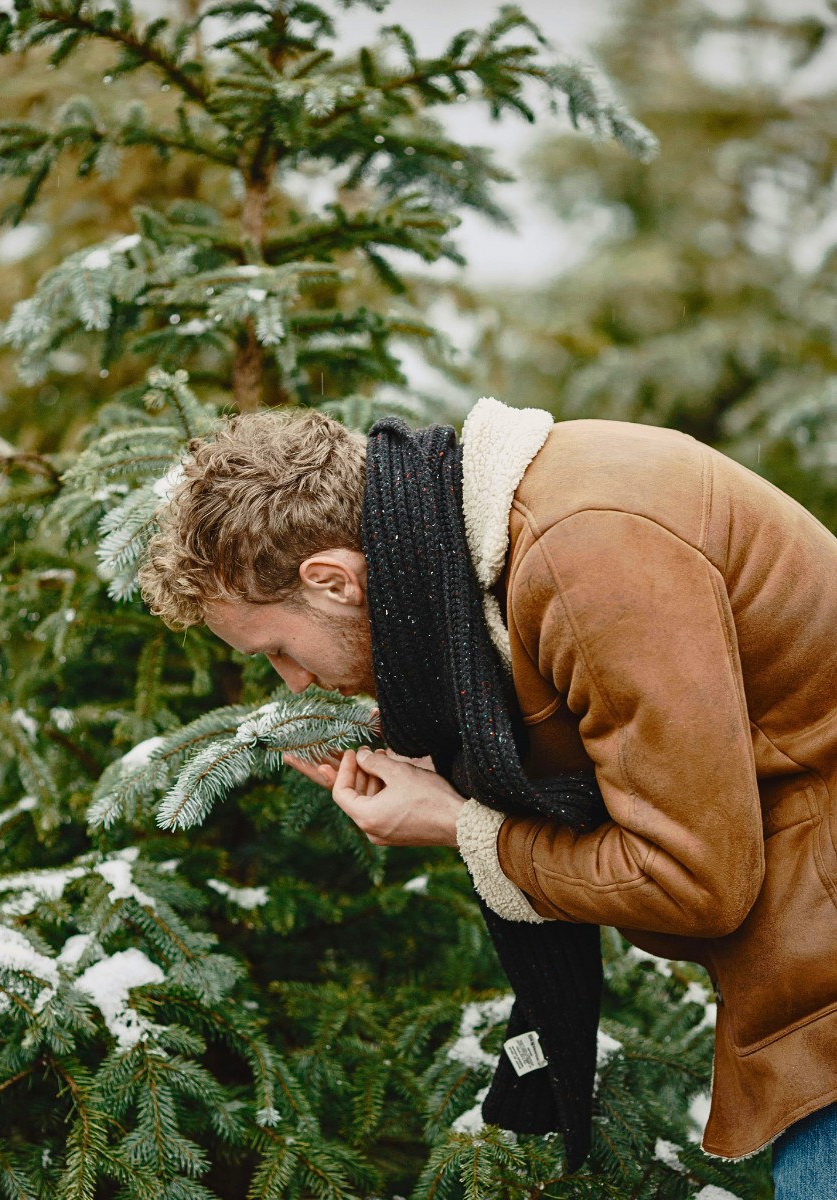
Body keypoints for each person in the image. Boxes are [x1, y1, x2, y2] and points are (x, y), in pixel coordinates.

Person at [138, 399, 837, 1197]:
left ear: (332, 580)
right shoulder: (501, 522)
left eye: (276, 651)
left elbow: (694, 878)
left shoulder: (587, 553)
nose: (292, 683)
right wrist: (434, 753)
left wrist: (463, 826)